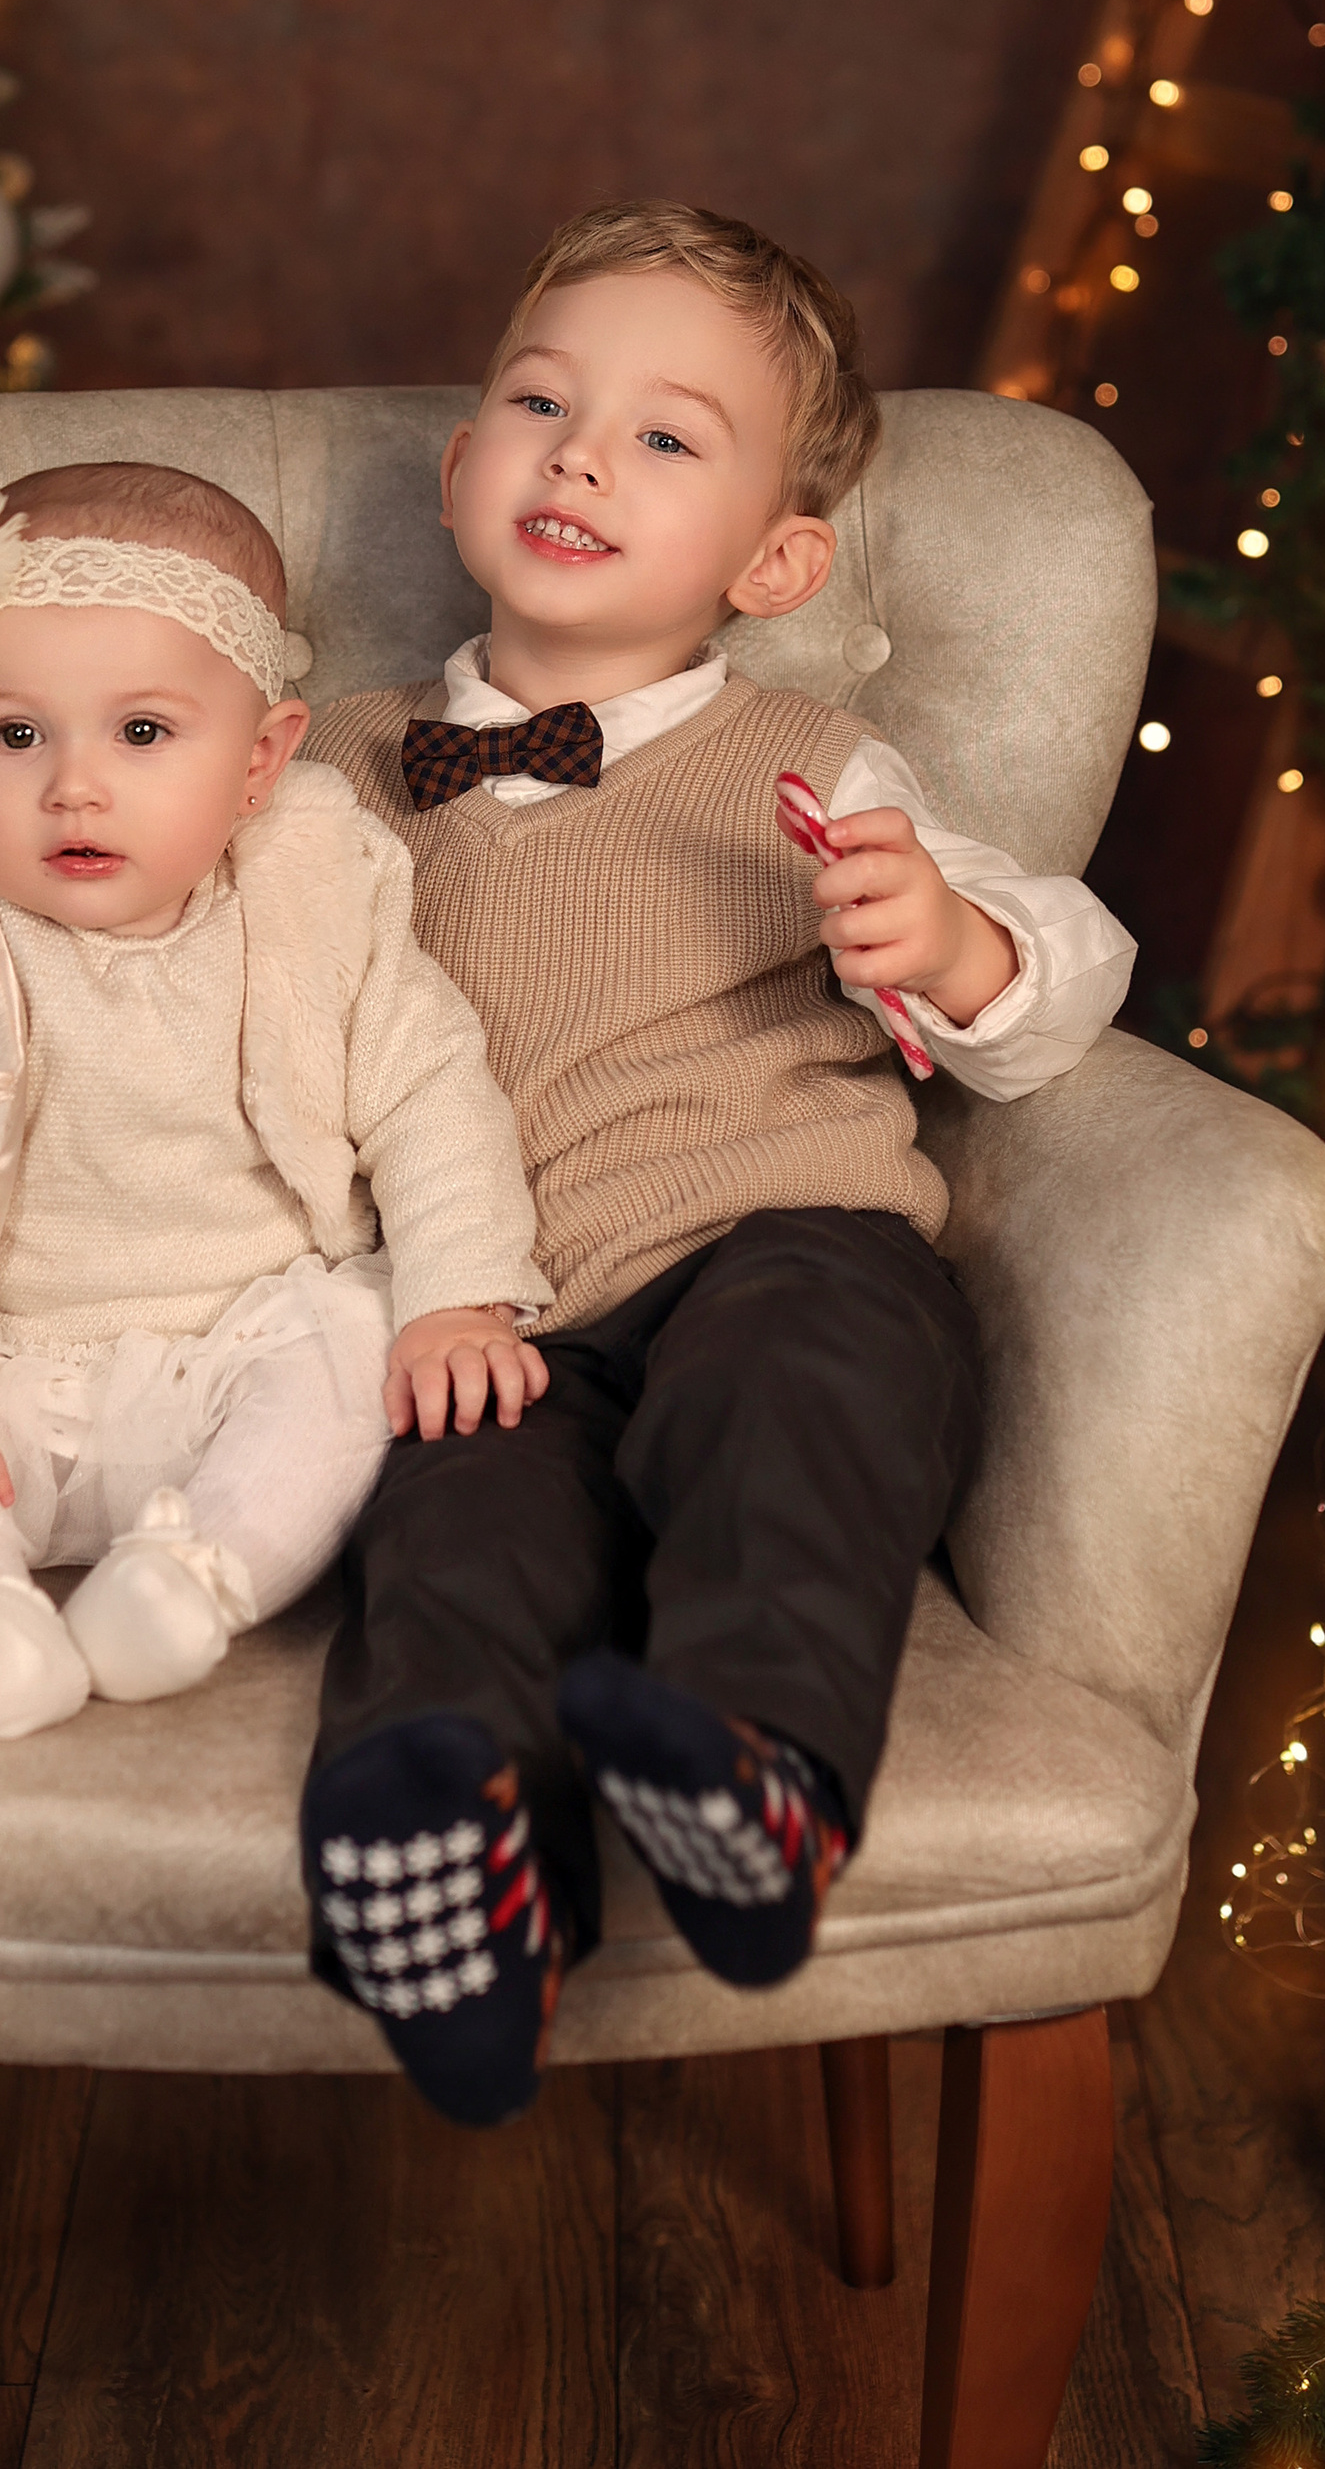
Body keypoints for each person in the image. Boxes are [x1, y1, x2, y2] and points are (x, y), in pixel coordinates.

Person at [298, 204, 1136, 2123]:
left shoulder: (816, 762)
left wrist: (946, 944)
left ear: (777, 557)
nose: (582, 454)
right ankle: (457, 1874)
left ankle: (755, 1769)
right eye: (539, 404)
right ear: (458, 473)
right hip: (486, 1318)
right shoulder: (324, 768)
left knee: (795, 1398)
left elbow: (1066, 967)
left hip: (776, 1241)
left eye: (667, 436)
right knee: (454, 1535)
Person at [0, 459, 548, 1748]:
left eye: (143, 733)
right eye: (15, 735)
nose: (74, 786)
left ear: (259, 760)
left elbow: (430, 1092)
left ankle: (194, 1583)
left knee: (358, 1341)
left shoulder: (317, 882)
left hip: (238, 1344)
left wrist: (460, 1294)